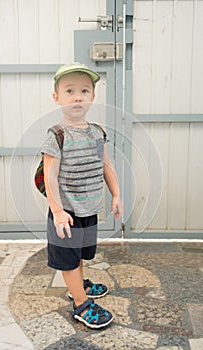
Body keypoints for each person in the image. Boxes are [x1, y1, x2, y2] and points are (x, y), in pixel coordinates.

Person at [41, 62, 122, 329]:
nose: (78, 96)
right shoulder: (57, 135)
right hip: (67, 213)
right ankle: (80, 303)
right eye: (70, 91)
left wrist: (116, 195)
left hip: (89, 209)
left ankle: (78, 286)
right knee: (68, 258)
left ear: (92, 97)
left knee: (80, 255)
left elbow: (106, 165)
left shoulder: (97, 132)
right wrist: (58, 211)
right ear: (57, 98)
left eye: (84, 91)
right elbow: (49, 176)